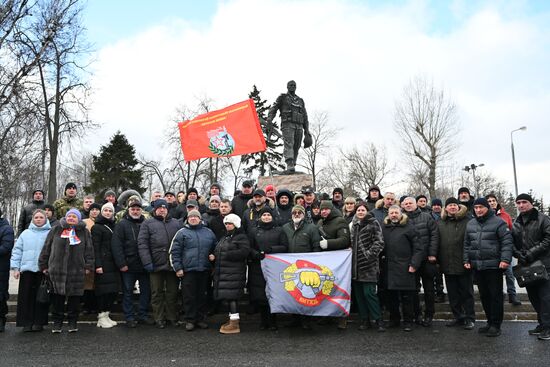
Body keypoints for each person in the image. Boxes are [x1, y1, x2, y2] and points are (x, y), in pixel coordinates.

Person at [38, 209, 94, 333]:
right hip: (56, 270)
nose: (72, 218)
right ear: (66, 217)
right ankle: (57, 323)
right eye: (70, 216)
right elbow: (46, 248)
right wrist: (43, 265)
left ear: (79, 219)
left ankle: (72, 322)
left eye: (75, 217)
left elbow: (89, 251)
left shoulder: (84, 232)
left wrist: (88, 266)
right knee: (57, 298)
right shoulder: (56, 229)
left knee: (74, 299)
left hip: (77, 270)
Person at [463, 197, 513, 337]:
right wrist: (466, 259)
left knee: (495, 296)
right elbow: (466, 244)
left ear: (487, 208)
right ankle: (489, 322)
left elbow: (507, 242)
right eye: (476, 207)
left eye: (481, 207)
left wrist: (505, 259)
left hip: (494, 266)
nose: (478, 210)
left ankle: (496, 325)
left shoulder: (499, 223)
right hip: (478, 266)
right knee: (484, 295)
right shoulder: (471, 224)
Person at [138, 199, 183, 329]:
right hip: (155, 264)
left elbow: (181, 242)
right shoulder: (147, 224)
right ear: (155, 210)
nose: (162, 210)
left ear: (167, 209)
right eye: (159, 208)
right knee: (156, 293)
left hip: (172, 264)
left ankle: (172, 317)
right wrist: (147, 262)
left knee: (172, 292)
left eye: (164, 208)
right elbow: (142, 244)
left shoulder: (176, 223)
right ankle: (159, 318)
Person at [170, 209, 217, 331]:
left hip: (204, 269)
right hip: (188, 271)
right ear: (188, 219)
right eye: (191, 217)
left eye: (196, 217)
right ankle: (190, 320)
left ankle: (200, 319)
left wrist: (213, 258)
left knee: (202, 296)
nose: (193, 218)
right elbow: (174, 251)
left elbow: (216, 248)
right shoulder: (181, 233)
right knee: (189, 297)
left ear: (200, 219)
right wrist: (178, 268)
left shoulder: (209, 232)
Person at [512, 193, 550, 340]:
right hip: (526, 266)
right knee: (534, 297)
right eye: (518, 202)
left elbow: (548, 239)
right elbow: (513, 242)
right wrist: (518, 254)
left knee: (545, 298)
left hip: (544, 264)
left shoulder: (543, 219)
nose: (521, 205)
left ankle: (548, 327)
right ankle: (542, 324)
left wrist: (531, 253)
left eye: (524, 202)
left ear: (531, 203)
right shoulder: (517, 222)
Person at [381, 205, 423, 332]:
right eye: (391, 213)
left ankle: (408, 321)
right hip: (389, 267)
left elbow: (418, 248)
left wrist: (414, 264)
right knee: (391, 296)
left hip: (405, 267)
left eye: (396, 212)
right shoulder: (384, 228)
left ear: (401, 213)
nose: (394, 215)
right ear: (388, 214)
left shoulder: (409, 227)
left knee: (407, 297)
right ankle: (394, 319)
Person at [111, 199, 153, 328]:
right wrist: (121, 263)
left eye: (138, 209)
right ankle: (129, 317)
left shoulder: (147, 224)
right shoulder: (122, 224)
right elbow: (116, 246)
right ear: (128, 210)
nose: (135, 211)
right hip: (128, 265)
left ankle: (143, 315)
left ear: (141, 211)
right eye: (133, 209)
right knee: (128, 292)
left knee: (146, 291)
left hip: (144, 265)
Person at [248, 207, 288, 330]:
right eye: (264, 215)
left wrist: (272, 250)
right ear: (260, 217)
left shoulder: (279, 230)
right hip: (258, 265)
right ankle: (263, 320)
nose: (266, 217)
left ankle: (273, 321)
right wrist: (255, 254)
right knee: (260, 294)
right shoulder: (253, 231)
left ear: (272, 217)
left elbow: (285, 247)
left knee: (273, 293)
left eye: (268, 215)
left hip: (274, 266)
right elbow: (249, 247)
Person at [401, 196, 439, 327]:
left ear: (416, 204)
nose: (408, 205)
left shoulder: (427, 217)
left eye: (410, 203)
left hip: (427, 259)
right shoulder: (402, 219)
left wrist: (432, 253)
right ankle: (417, 314)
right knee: (413, 289)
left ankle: (429, 314)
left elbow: (434, 235)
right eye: (405, 203)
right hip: (410, 261)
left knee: (429, 289)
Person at [10, 210, 51, 332]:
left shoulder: (50, 233)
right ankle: (26, 323)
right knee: (25, 297)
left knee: (41, 298)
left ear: (45, 219)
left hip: (42, 271)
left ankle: (39, 322)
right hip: (26, 271)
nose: (38, 219)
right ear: (33, 219)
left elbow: (53, 252)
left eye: (41, 217)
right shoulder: (25, 234)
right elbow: (17, 251)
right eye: (36, 217)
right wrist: (15, 268)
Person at [438, 198, 475, 330]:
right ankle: (458, 317)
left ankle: (470, 318)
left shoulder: (468, 221)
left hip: (464, 264)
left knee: (467, 293)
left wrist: (469, 259)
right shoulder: (441, 222)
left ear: (458, 207)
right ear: (446, 208)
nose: (452, 207)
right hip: (447, 264)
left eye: (454, 205)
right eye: (450, 205)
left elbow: (472, 241)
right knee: (453, 294)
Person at [282, 205, 321, 329]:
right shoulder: (285, 228)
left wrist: (315, 264)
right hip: (290, 267)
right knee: (293, 293)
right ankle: (295, 318)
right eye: (295, 212)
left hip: (307, 267)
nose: (297, 214)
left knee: (306, 292)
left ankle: (307, 319)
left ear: (304, 214)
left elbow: (316, 246)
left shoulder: (311, 228)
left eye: (300, 212)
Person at [211, 214, 250, 334]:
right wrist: (214, 256)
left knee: (232, 298)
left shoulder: (241, 237)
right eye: (226, 224)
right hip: (225, 273)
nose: (228, 225)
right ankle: (231, 319)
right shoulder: (225, 237)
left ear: (236, 224)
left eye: (230, 223)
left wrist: (227, 254)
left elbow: (245, 251)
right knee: (228, 298)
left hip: (234, 273)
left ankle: (235, 324)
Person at [349, 202, 385, 331]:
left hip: (369, 266)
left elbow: (379, 242)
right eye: (358, 210)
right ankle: (364, 320)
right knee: (359, 295)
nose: (360, 212)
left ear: (367, 211)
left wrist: (369, 255)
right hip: (355, 267)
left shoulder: (373, 223)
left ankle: (378, 319)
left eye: (363, 210)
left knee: (369, 294)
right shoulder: (354, 225)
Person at [317, 200, 350, 329]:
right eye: (322, 209)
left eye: (326, 209)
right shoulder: (320, 222)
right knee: (326, 289)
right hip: (325, 261)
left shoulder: (340, 221)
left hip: (338, 262)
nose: (324, 211)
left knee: (339, 290)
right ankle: (327, 315)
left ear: (331, 209)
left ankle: (342, 317)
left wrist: (328, 244)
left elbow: (345, 240)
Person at [266, 80, 311, 174]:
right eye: (291, 85)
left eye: (294, 85)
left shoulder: (300, 100)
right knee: (289, 143)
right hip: (287, 125)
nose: (292, 86)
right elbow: (274, 108)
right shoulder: (283, 97)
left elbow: (305, 116)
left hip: (299, 125)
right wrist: (270, 118)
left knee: (297, 145)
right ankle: (289, 163)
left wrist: (307, 131)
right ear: (287, 87)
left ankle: (293, 164)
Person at [486, 193, 521, 306]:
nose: (491, 203)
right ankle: (499, 295)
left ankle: (512, 295)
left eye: (493, 200)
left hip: (505, 249)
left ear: (497, 201)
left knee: (510, 274)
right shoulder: (484, 216)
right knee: (496, 276)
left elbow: (511, 231)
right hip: (492, 251)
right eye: (489, 201)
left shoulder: (505, 215)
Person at [91, 203, 120, 328]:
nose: (108, 212)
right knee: (103, 291)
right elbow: (95, 248)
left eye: (110, 211)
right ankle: (101, 317)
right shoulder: (97, 227)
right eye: (105, 210)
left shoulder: (114, 226)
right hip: (103, 263)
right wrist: (98, 264)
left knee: (112, 291)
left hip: (113, 263)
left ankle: (106, 315)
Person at [0, 208, 15, 332]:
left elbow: (6, 247)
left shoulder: (7, 228)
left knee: (0, 295)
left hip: (1, 268)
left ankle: (1, 320)